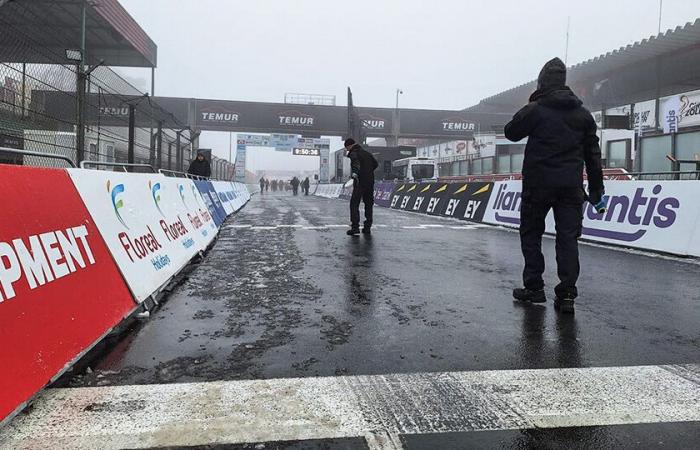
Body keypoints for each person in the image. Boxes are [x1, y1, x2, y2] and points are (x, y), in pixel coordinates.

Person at [504, 57, 604, 314]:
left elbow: (511, 131)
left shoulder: (536, 109)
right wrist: (596, 191)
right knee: (568, 238)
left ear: (542, 82)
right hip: (571, 187)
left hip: (538, 186)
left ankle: (535, 287)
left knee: (531, 233)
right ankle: (567, 294)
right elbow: (593, 155)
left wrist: (531, 103)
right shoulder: (583, 115)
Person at [344, 138, 378, 236]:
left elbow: (356, 163)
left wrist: (355, 173)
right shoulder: (367, 153)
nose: (347, 150)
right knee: (368, 203)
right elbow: (375, 164)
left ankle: (355, 227)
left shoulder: (354, 153)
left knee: (354, 203)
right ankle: (367, 227)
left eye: (347, 148)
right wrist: (368, 171)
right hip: (370, 181)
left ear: (350, 145)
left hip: (360, 182)